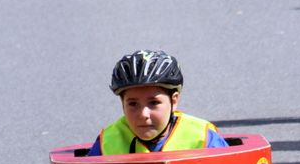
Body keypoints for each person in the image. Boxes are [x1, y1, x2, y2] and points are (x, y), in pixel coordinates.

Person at [87, 50, 229, 155]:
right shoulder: (107, 142)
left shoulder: (203, 138)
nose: (143, 114)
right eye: (133, 104)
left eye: (154, 103)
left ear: (174, 101)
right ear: (122, 103)